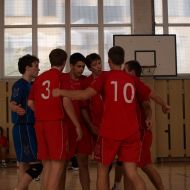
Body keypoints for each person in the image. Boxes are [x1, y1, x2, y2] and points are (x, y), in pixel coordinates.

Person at [28, 49, 82, 190]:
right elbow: (66, 101)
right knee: (58, 165)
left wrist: (43, 111)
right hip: (55, 124)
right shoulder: (62, 77)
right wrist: (77, 125)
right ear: (64, 62)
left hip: (40, 123)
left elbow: (30, 103)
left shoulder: (39, 78)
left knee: (47, 165)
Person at [9, 54, 43, 190]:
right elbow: (12, 103)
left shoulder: (33, 85)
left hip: (30, 127)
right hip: (24, 128)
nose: (38, 69)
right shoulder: (20, 85)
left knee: (24, 165)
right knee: (37, 166)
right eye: (36, 66)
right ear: (27, 68)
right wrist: (15, 108)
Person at [61, 52, 92, 190]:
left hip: (83, 127)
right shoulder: (61, 79)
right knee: (62, 164)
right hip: (65, 127)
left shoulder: (86, 81)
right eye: (78, 66)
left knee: (83, 163)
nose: (81, 69)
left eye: (83, 67)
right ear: (71, 65)